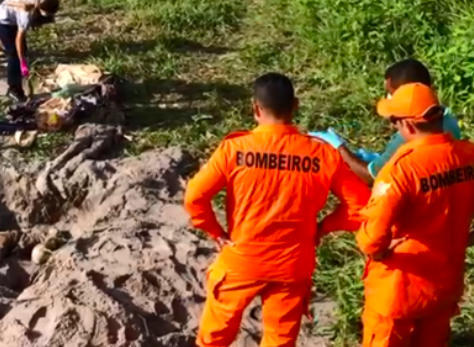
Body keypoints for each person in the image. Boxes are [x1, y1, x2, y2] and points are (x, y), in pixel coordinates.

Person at [184, 73, 370, 347]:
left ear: (255, 108)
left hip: (242, 259)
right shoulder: (321, 154)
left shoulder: (234, 149)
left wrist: (215, 231)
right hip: (293, 264)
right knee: (280, 339)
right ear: (295, 106)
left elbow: (194, 197)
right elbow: (361, 205)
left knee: (215, 334)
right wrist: (323, 228)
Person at [356, 82, 474, 347]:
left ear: (407, 126)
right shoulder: (468, 155)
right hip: (445, 286)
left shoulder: (400, 170)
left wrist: (377, 249)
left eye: (394, 122)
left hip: (398, 291)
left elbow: (371, 240)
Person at [310, 59, 462, 185]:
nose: (389, 98)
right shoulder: (446, 117)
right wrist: (380, 159)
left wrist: (340, 149)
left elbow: (372, 178)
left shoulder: (411, 134)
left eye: (391, 93)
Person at [0, 0, 60, 103]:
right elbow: (19, 38)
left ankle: (23, 85)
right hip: (5, 23)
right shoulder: (26, 14)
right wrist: (22, 62)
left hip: (14, 17)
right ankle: (14, 89)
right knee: (14, 55)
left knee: (23, 52)